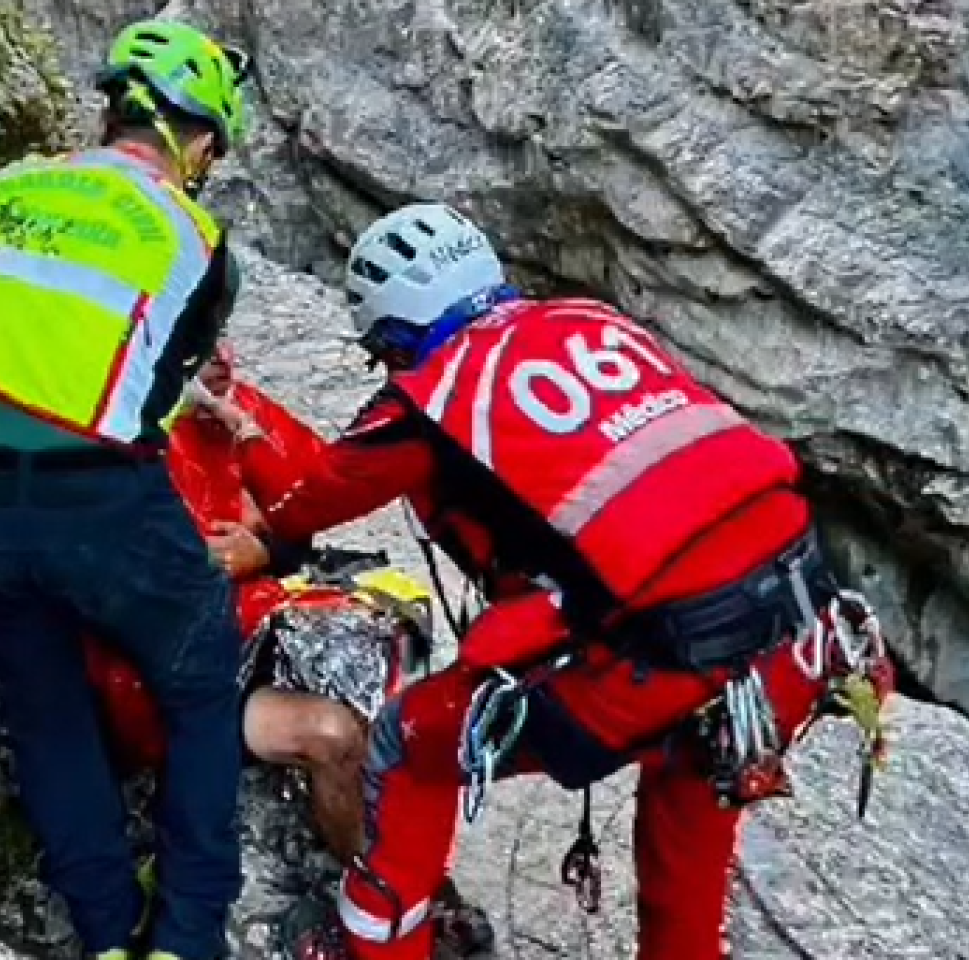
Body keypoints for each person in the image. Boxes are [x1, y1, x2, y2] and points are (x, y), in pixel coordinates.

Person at [236, 203, 892, 960]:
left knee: (404, 746)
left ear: (394, 334)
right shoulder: (590, 320)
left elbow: (319, 495)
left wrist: (261, 529)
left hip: (653, 653)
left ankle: (383, 947)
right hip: (798, 626)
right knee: (691, 784)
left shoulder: (425, 401)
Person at [0, 18, 253, 960]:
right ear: (195, 135)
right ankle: (187, 933)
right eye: (214, 141)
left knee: (42, 706)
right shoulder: (193, 232)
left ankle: (104, 930)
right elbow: (153, 398)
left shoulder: (1, 187)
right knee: (203, 683)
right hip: (95, 502)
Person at [87, 343, 495, 953]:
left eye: (219, 335)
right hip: (158, 677)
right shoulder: (118, 443)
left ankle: (403, 882)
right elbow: (139, 576)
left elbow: (309, 500)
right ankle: (389, 901)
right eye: (199, 342)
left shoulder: (221, 408)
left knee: (389, 656)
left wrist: (251, 471)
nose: (221, 356)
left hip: (246, 628)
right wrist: (247, 549)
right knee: (333, 735)